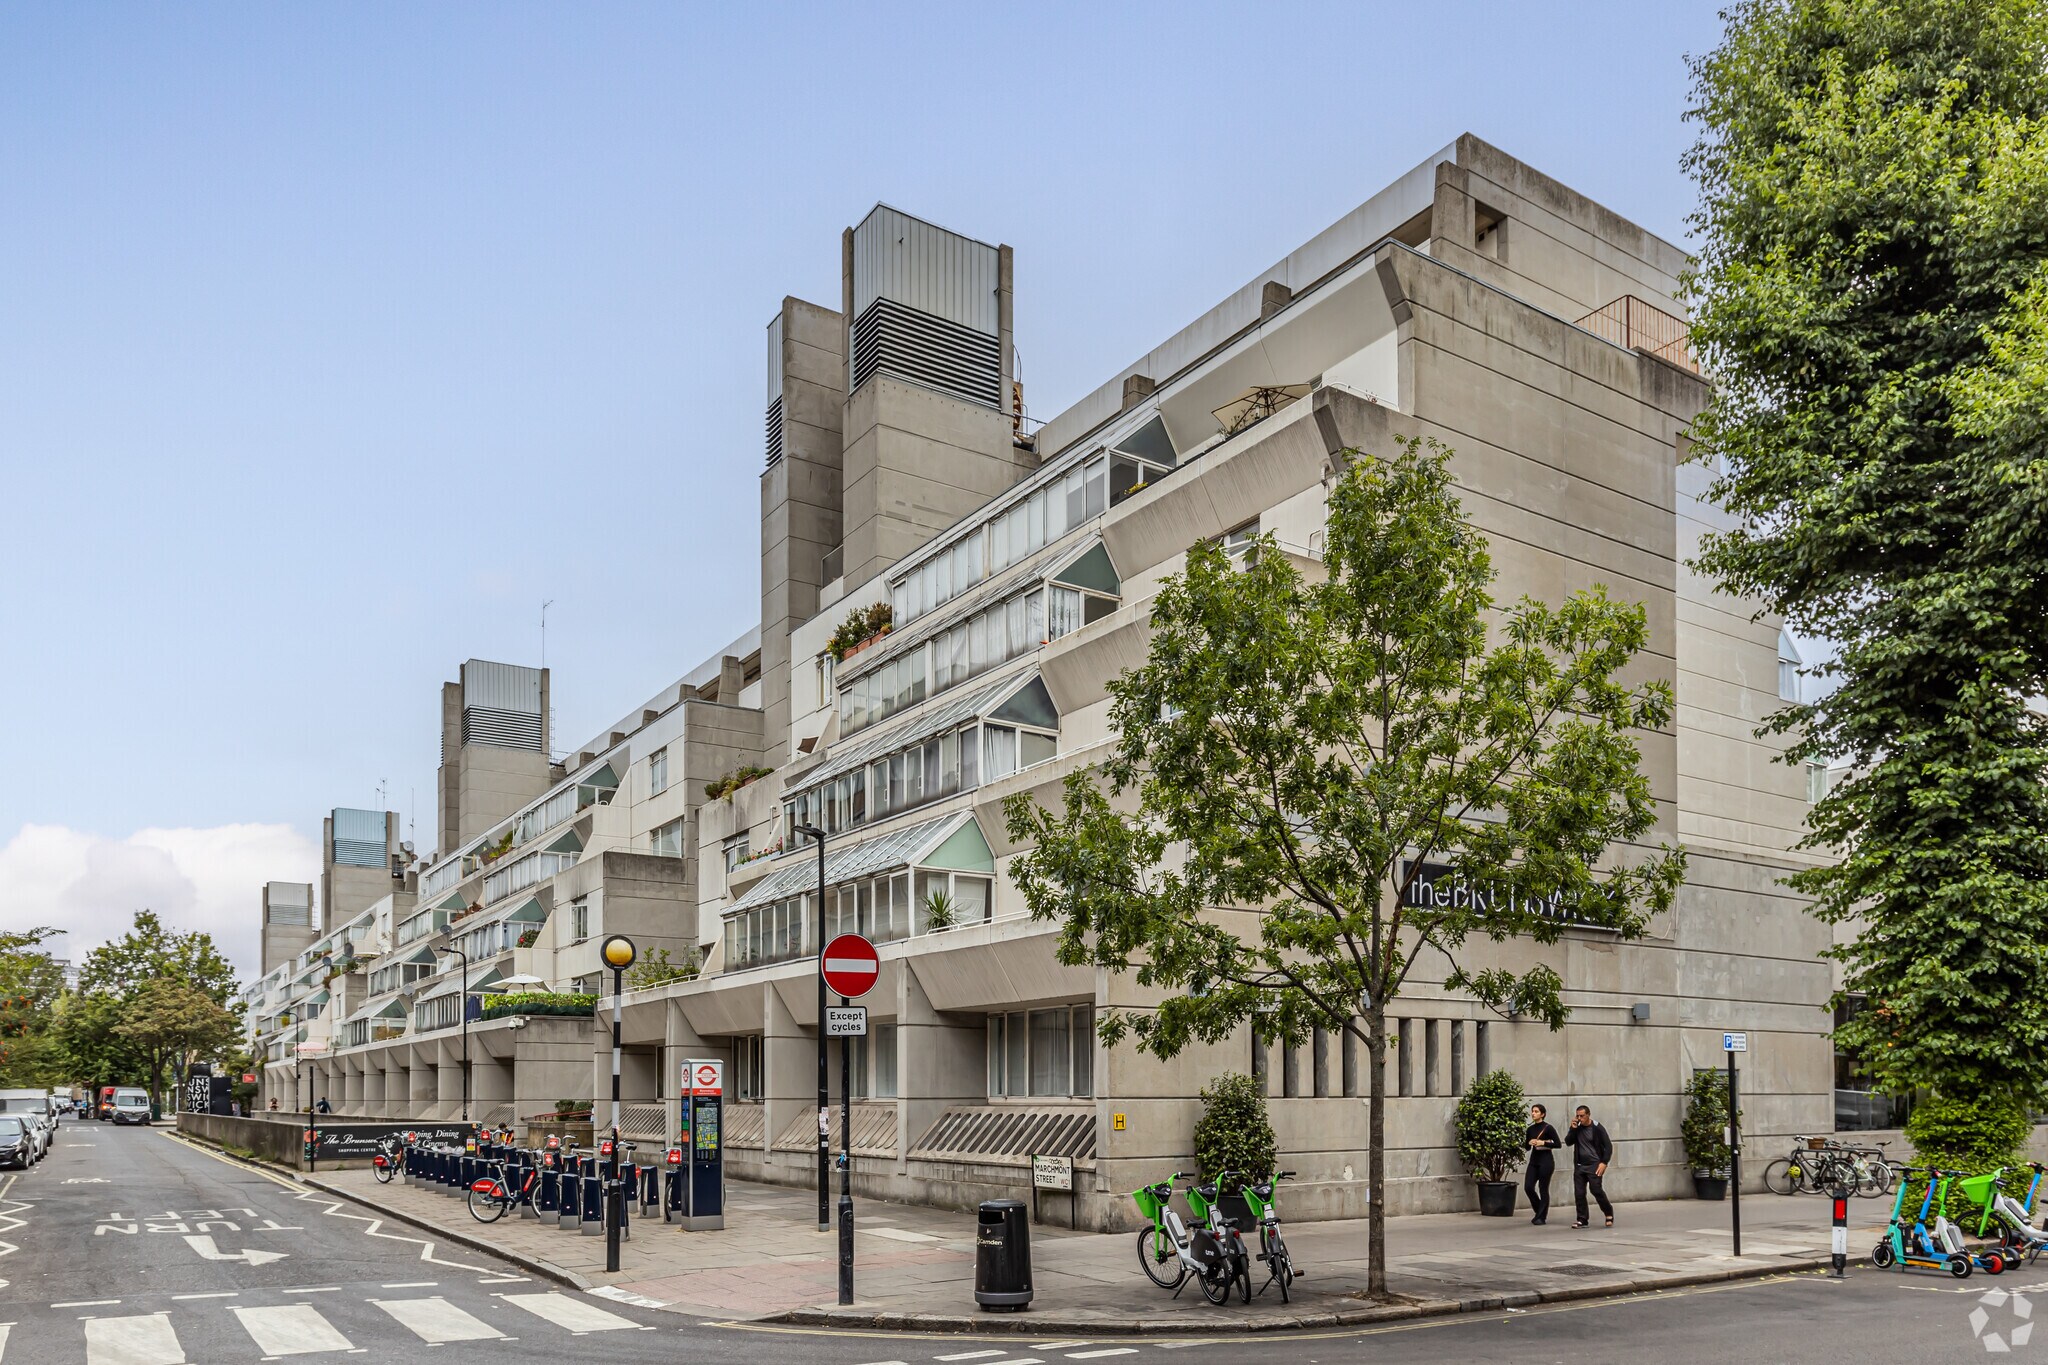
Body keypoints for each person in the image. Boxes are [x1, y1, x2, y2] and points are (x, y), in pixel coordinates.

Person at [1562, 1104, 1615, 1228]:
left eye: (1582, 1116)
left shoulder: (1597, 1128)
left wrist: (1604, 1163)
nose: (1580, 1118)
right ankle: (1582, 1219)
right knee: (1579, 1193)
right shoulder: (1577, 1127)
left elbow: (1608, 1146)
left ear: (1588, 1115)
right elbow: (1568, 1142)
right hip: (1580, 1165)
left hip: (1595, 1165)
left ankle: (1608, 1212)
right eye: (1578, 1116)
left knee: (1596, 1190)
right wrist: (1573, 1128)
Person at [1524, 1103, 1562, 1224]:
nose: (1533, 1113)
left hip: (1546, 1162)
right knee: (1528, 1187)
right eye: (1532, 1111)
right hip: (1534, 1161)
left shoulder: (1548, 1128)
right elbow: (1526, 1147)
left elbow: (1558, 1144)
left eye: (1536, 1111)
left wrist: (1543, 1143)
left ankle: (1541, 1217)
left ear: (1542, 1114)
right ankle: (1539, 1210)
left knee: (1543, 1189)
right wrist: (1529, 1142)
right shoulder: (1530, 1129)